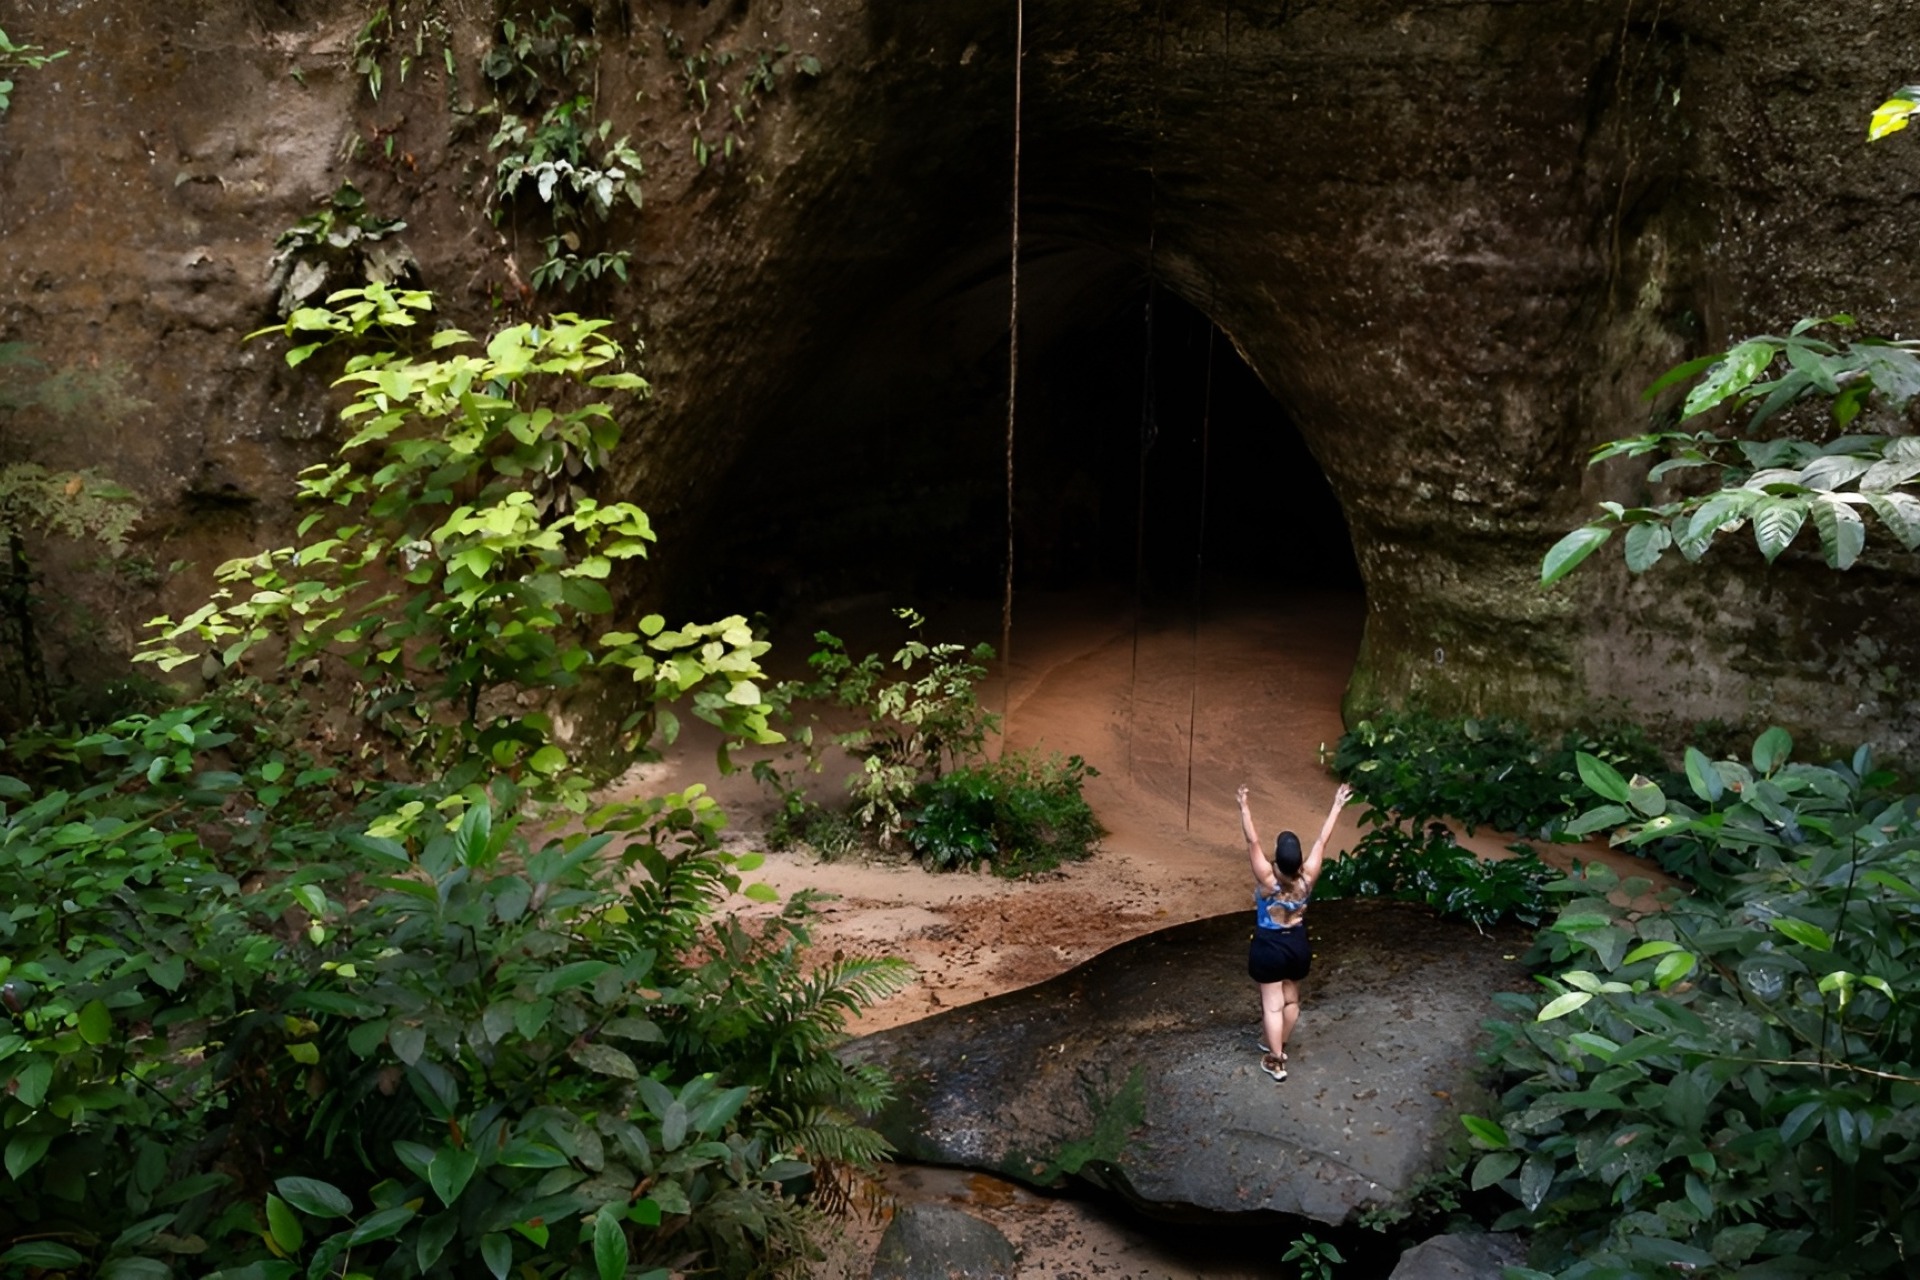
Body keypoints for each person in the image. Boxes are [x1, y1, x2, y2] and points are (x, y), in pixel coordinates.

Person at [1236, 780, 1352, 1082]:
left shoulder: (1267, 880)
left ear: (1278, 858)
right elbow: (1322, 842)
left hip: (1269, 946)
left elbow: (1252, 842)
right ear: (1299, 860)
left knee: (1271, 1006)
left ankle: (1275, 1060)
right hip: (1297, 944)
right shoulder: (1308, 877)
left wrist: (1244, 807)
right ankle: (1278, 1043)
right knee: (1291, 1001)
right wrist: (1337, 805)